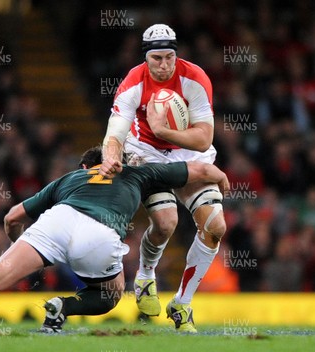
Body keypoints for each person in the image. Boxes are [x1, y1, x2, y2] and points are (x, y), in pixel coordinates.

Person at [0, 146, 229, 333]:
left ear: (85, 166)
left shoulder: (67, 179)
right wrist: (223, 180)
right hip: (101, 231)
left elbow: (11, 216)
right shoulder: (139, 172)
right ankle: (65, 306)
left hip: (56, 221)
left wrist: (22, 250)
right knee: (110, 296)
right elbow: (200, 170)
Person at [102, 24, 226, 332]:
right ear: (146, 57)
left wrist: (164, 131)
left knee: (215, 227)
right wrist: (110, 156)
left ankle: (182, 304)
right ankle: (146, 275)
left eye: (169, 57)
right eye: (157, 58)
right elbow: (115, 132)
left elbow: (203, 139)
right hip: (146, 153)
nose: (164, 65)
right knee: (166, 223)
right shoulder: (133, 82)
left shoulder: (194, 78)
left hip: (187, 151)